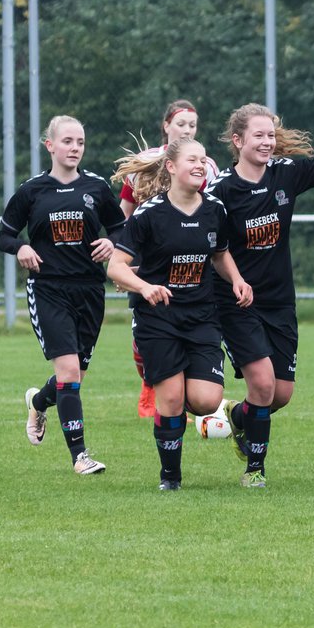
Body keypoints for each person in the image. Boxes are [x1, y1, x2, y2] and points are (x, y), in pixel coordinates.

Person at [107, 138, 253, 491]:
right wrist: (144, 287)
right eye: (192, 159)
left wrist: (237, 279)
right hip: (158, 318)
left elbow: (219, 253)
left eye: (204, 160)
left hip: (201, 317)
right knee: (171, 399)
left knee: (207, 401)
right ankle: (170, 478)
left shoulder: (214, 209)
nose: (201, 165)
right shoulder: (149, 214)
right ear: (171, 167)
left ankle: (186, 390)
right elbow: (116, 266)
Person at [206, 104, 314, 487]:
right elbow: (214, 249)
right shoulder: (221, 191)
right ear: (238, 140)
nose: (267, 142)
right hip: (237, 301)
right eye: (258, 135)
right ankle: (254, 472)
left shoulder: (286, 173)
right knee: (262, 384)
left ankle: (239, 416)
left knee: (281, 394)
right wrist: (238, 280)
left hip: (280, 301)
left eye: (271, 135)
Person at [0, 115, 125, 475]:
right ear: (50, 146)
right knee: (69, 372)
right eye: (67, 141)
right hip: (48, 289)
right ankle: (80, 457)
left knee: (75, 376)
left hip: (89, 291)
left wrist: (112, 242)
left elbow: (122, 228)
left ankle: (38, 402)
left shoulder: (97, 188)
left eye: (80, 142)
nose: (74, 148)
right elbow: (4, 235)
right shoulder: (32, 190)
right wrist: (20, 248)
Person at [119, 99, 220, 420]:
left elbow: (211, 214)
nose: (187, 129)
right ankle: (154, 390)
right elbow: (125, 215)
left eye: (192, 125)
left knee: (197, 381)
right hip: (150, 265)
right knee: (145, 336)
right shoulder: (146, 162)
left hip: (192, 268)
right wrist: (127, 262)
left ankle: (184, 392)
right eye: (181, 124)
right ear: (166, 126)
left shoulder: (208, 166)